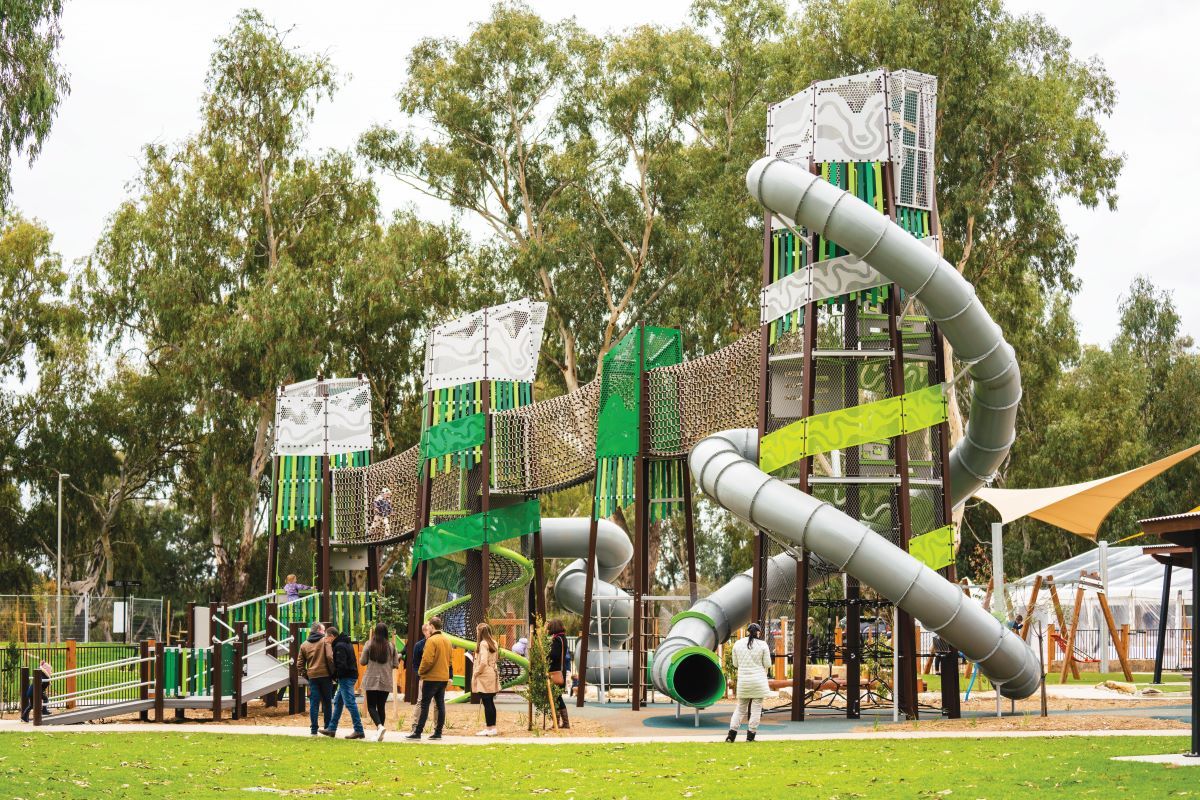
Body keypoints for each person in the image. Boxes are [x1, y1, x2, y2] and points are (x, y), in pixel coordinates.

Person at [406, 615, 452, 740]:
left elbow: (427, 660)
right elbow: (450, 660)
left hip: (431, 678)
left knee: (424, 705)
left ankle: (418, 732)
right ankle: (438, 732)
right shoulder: (447, 640)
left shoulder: (431, 641)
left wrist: (421, 672)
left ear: (432, 626)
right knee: (440, 704)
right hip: (443, 677)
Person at [726, 622, 772, 742]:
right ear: (758, 632)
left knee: (740, 709)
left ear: (747, 632)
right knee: (756, 709)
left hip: (744, 682)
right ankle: (750, 737)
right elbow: (767, 664)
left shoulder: (737, 644)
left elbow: (736, 664)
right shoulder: (762, 645)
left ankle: (731, 735)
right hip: (759, 682)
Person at [320, 625, 365, 740]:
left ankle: (359, 730)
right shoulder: (345, 642)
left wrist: (335, 676)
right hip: (349, 676)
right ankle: (331, 729)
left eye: (326, 637)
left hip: (346, 677)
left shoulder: (339, 646)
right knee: (338, 702)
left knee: (350, 703)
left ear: (331, 636)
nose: (326, 640)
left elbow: (341, 665)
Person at [360, 622, 399, 742]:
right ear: (386, 633)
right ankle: (380, 733)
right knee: (381, 706)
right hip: (385, 680)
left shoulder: (369, 644)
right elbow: (395, 664)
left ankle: (380, 727)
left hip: (371, 679)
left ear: (375, 632)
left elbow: (362, 661)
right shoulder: (391, 646)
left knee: (371, 706)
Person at [299, 621, 333, 735]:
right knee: (327, 702)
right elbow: (329, 656)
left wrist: (306, 674)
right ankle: (328, 727)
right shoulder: (325, 641)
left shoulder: (304, 644)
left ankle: (314, 729)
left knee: (314, 703)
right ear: (319, 630)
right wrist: (333, 672)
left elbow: (299, 664)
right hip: (325, 675)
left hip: (313, 677)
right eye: (323, 630)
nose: (324, 632)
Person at [472, 622, 500, 737]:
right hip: (492, 673)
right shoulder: (494, 643)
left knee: (486, 702)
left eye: (477, 631)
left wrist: (477, 672)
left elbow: (483, 662)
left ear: (480, 632)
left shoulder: (483, 644)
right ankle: (492, 727)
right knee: (490, 702)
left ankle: (489, 728)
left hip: (484, 675)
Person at [546, 618, 570, 729]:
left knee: (556, 696)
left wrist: (546, 654)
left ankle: (563, 722)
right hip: (561, 670)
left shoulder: (557, 640)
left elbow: (554, 655)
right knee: (557, 696)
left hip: (556, 671)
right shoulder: (562, 638)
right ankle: (561, 722)